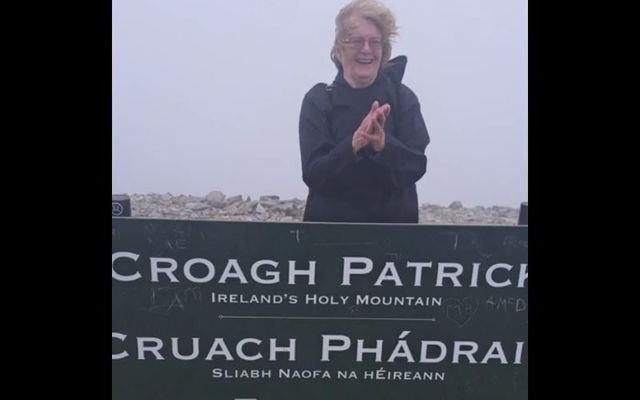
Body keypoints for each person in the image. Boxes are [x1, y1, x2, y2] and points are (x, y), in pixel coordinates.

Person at [299, 0, 430, 223]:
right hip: (328, 241)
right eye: (356, 41)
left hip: (394, 241)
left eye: (375, 42)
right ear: (339, 49)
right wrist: (353, 145)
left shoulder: (404, 98)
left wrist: (383, 145)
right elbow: (314, 174)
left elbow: (416, 166)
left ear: (384, 50)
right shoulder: (319, 100)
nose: (366, 49)